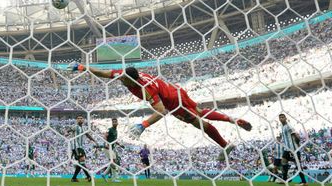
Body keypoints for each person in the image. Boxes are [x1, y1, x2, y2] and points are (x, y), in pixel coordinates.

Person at [68, 64, 252, 159]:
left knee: (198, 123)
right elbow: (104, 73)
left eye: (124, 80)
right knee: (199, 110)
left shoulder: (144, 89)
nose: (121, 81)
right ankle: (230, 119)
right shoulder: (124, 75)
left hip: (172, 101)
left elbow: (161, 111)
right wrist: (84, 68)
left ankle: (225, 145)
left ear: (132, 80)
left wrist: (143, 125)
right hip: (175, 89)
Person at [278, 113, 308, 186]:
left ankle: (304, 182)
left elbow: (296, 136)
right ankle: (285, 180)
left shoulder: (289, 126)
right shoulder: (282, 126)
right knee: (283, 161)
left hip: (293, 149)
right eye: (280, 117)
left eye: (283, 117)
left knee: (298, 165)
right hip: (287, 149)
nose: (281, 119)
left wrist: (298, 146)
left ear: (286, 118)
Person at [70, 115, 98, 182]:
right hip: (76, 146)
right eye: (78, 118)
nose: (80, 119)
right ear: (77, 120)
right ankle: (88, 176)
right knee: (82, 160)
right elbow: (69, 130)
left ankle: (74, 178)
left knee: (81, 162)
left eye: (81, 118)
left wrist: (94, 141)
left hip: (80, 146)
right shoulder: (75, 126)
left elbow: (87, 135)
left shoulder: (84, 128)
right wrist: (66, 132)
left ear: (83, 120)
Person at [101, 118, 123, 182]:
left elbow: (114, 140)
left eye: (115, 122)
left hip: (112, 149)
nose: (114, 123)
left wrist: (120, 145)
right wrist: (106, 144)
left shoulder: (116, 131)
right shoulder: (110, 129)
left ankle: (104, 174)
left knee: (113, 162)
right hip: (107, 148)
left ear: (117, 123)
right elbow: (105, 136)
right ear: (112, 123)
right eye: (113, 122)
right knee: (113, 162)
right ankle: (114, 178)